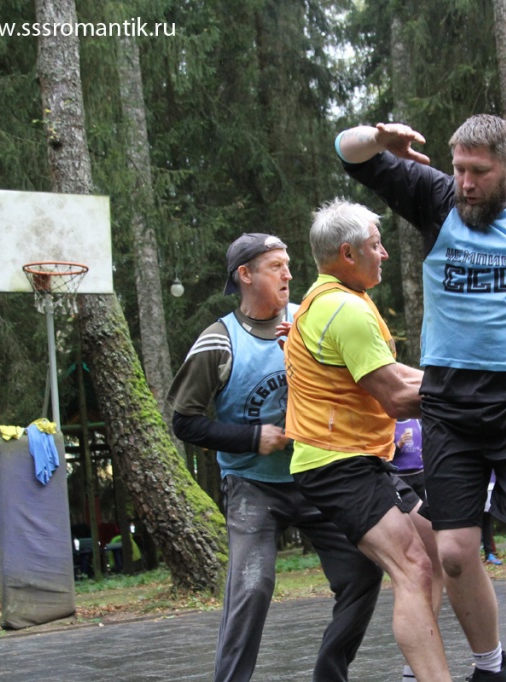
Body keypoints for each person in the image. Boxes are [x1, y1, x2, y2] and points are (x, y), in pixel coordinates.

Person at [336, 115, 506, 682]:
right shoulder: (437, 199)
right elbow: (348, 153)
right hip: (449, 399)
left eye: (479, 172)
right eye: (459, 169)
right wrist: (379, 141)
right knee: (453, 551)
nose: (466, 183)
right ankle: (490, 666)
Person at [167, 233, 384, 682]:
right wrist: (253, 438)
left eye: (288, 264)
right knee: (252, 586)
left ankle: (330, 675)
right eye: (275, 267)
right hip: (253, 486)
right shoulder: (218, 342)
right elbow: (185, 422)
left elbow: (355, 381)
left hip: (319, 476)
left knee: (362, 571)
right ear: (245, 275)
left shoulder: (310, 319)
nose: (288, 274)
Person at [283, 199, 449, 682]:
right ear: (348, 253)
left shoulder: (340, 298)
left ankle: (418, 673)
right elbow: (397, 397)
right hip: (336, 464)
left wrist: (459, 380)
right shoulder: (343, 309)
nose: (385, 254)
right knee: (413, 566)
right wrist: (479, 399)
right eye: (377, 245)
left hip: (362, 460)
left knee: (436, 551)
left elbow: (395, 373)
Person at [394, 418, 426, 500]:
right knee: (405, 505)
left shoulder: (418, 421)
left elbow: (428, 441)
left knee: (424, 505)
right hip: (400, 476)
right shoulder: (389, 425)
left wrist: (426, 452)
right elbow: (385, 453)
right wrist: (399, 445)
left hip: (419, 473)